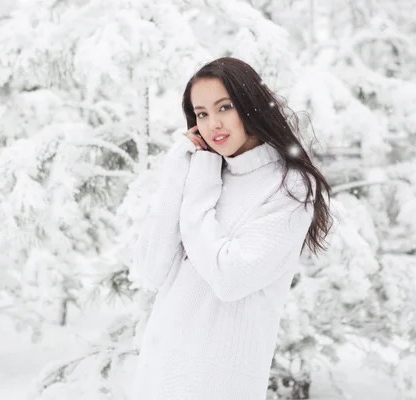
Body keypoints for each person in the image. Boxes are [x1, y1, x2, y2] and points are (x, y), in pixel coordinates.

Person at [130, 57, 333, 400]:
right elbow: (151, 270)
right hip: (160, 371)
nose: (213, 124)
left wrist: (197, 195)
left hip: (217, 382)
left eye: (224, 107)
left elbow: (230, 278)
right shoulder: (204, 172)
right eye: (202, 114)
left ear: (250, 105)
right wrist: (178, 169)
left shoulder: (290, 187)